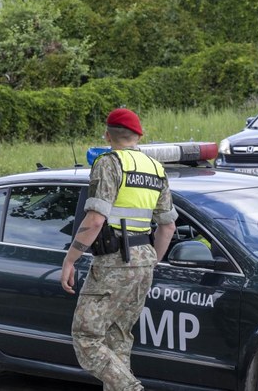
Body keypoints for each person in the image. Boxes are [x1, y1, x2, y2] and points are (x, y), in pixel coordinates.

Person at [60, 108, 177, 391]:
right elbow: (168, 227)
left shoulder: (109, 163)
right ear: (140, 135)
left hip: (114, 261)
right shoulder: (156, 168)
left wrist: (70, 259)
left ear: (107, 134)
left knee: (86, 338)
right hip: (143, 262)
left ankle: (131, 387)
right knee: (119, 339)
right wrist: (150, 262)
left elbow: (96, 219)